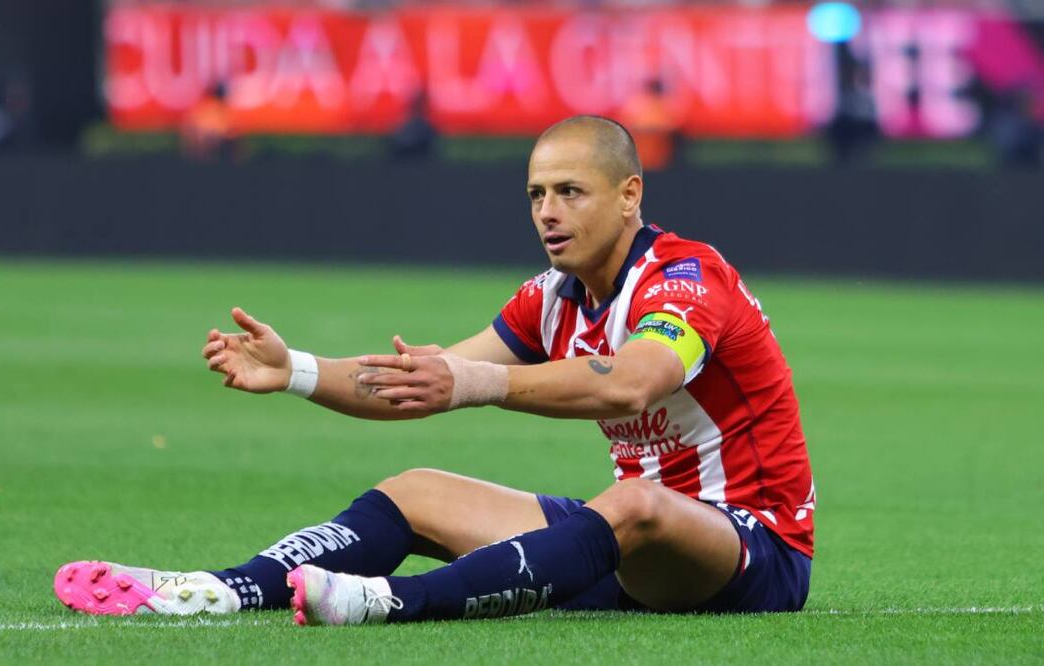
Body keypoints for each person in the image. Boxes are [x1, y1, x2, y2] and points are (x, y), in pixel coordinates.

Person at [54, 116, 815, 624]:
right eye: (535, 194)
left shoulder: (686, 277)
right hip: (624, 546)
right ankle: (222, 589)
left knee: (636, 501)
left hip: (753, 549)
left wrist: (475, 385)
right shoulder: (548, 300)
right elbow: (424, 380)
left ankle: (389, 602)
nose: (546, 211)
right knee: (415, 490)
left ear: (628, 197)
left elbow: (631, 381)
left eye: (569, 192)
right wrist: (298, 372)